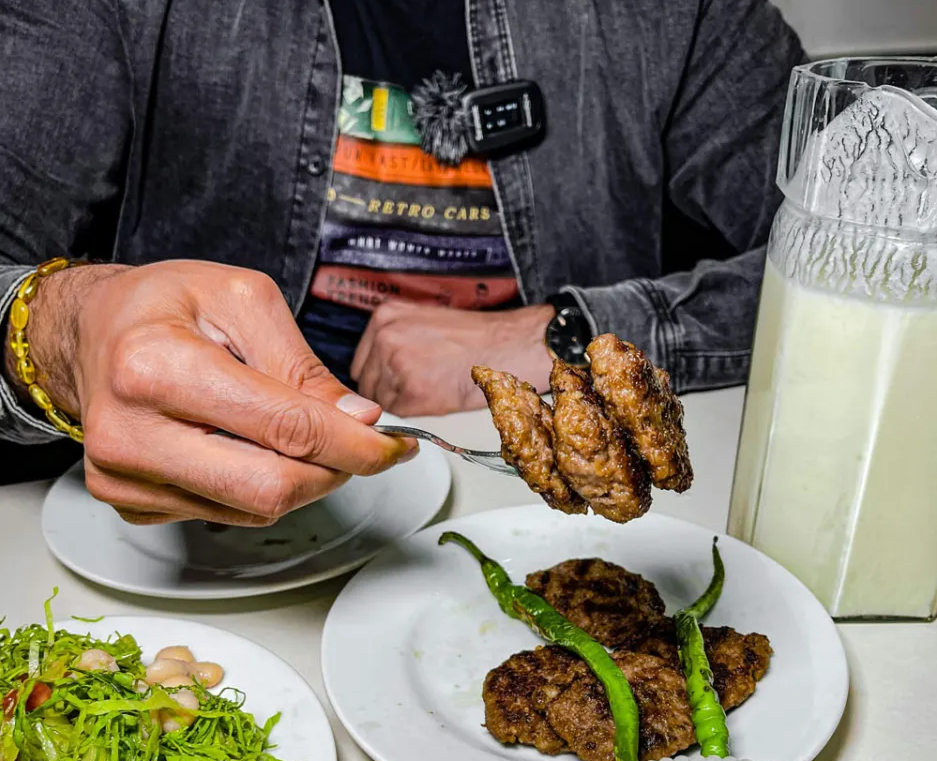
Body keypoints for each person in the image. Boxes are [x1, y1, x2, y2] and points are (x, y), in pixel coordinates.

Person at [0, 0, 805, 523]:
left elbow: (871, 252)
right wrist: (63, 333)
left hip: (533, 528)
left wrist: (565, 335)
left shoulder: (682, 15)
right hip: (184, 542)